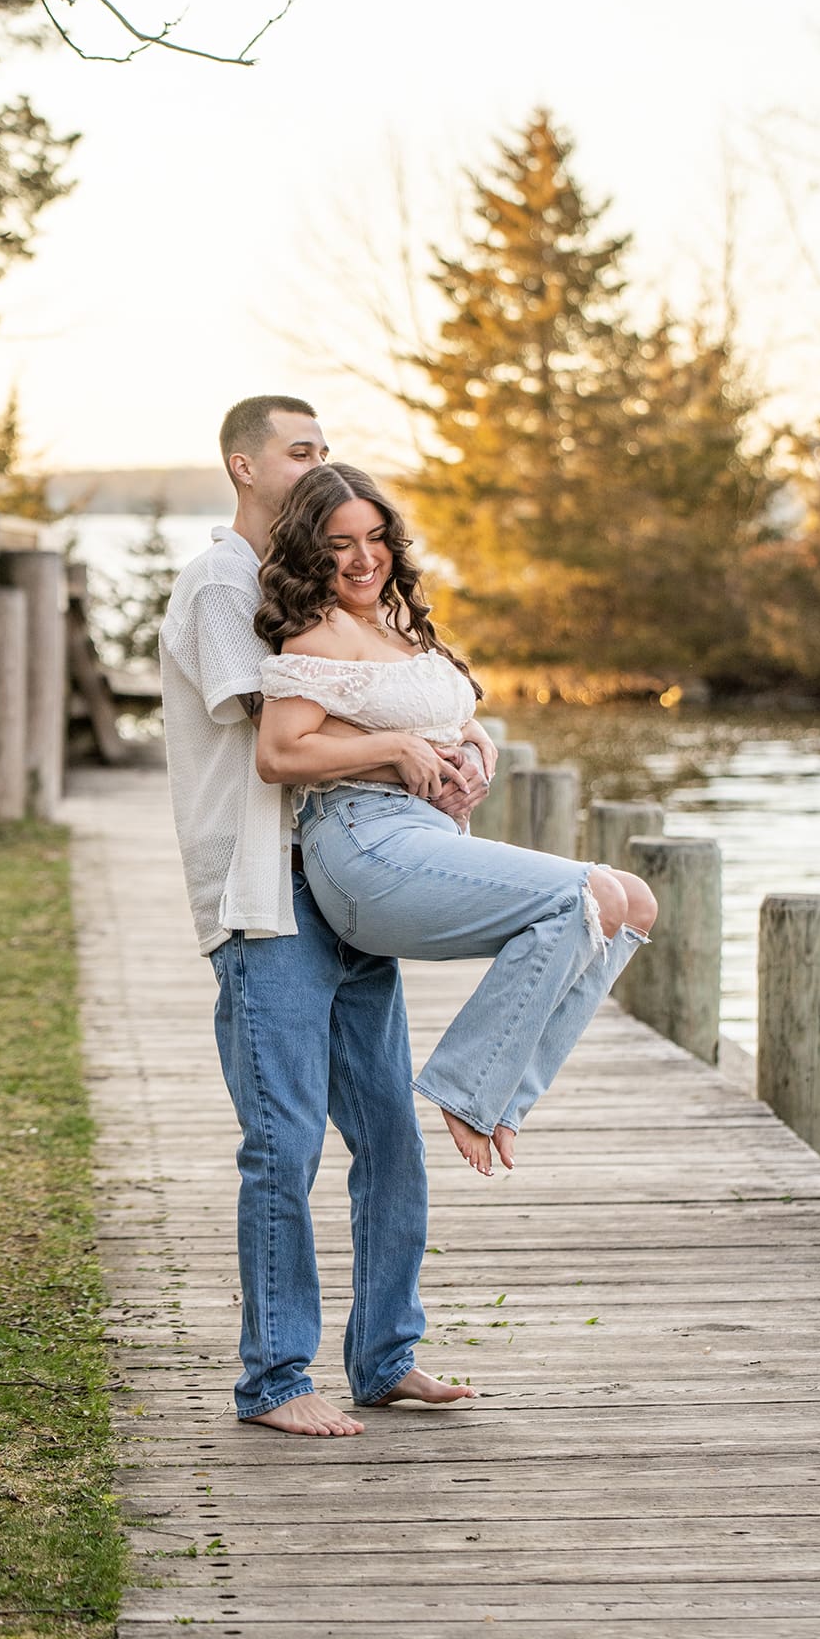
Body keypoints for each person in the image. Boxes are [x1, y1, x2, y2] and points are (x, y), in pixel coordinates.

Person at [158, 396, 487, 1438]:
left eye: (324, 452)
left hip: (344, 884)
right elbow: (288, 725)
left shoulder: (297, 587)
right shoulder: (221, 583)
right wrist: (406, 737)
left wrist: (451, 745)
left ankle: (385, 1357)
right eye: (297, 453)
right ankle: (273, 1380)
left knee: (388, 1137)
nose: (315, 467)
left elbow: (360, 704)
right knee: (283, 1143)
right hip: (267, 896)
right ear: (240, 466)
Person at [254, 463, 658, 1177]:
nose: (362, 558)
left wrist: (474, 744)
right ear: (311, 547)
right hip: (359, 844)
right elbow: (280, 752)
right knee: (585, 895)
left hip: (422, 832)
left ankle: (501, 1097)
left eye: (376, 538)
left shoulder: (399, 622)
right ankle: (468, 1086)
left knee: (632, 903)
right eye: (340, 542)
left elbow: (444, 712)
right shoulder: (317, 635)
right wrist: (399, 749)